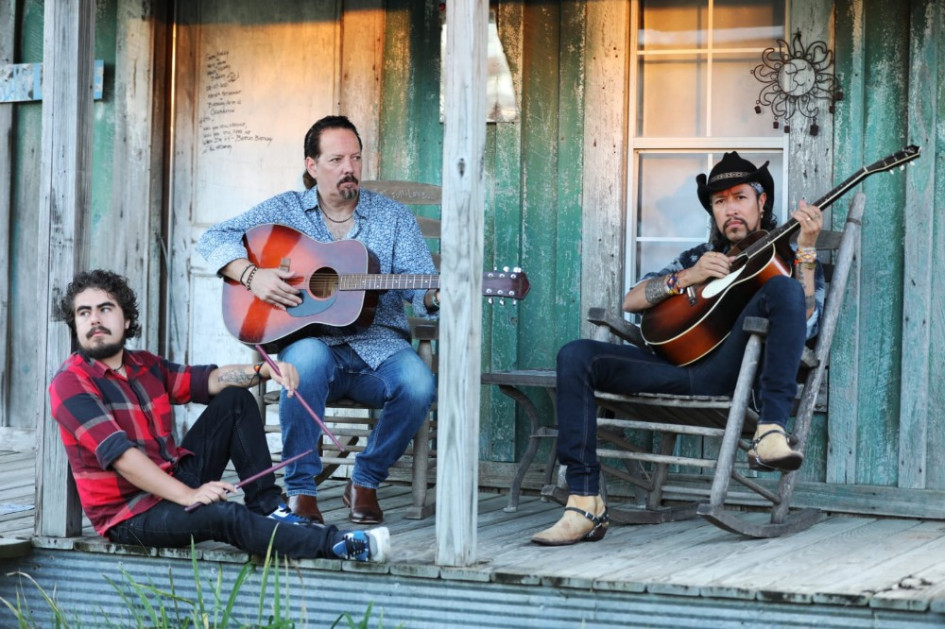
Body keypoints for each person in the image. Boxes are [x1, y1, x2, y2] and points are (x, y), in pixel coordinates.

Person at [532, 152, 825, 546]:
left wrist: (806, 248)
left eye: (739, 197)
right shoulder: (698, 257)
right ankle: (585, 502)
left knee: (785, 288)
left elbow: (806, 324)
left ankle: (771, 431)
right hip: (669, 370)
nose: (730, 210)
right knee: (576, 354)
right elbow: (632, 301)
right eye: (720, 202)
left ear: (762, 202)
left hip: (727, 376)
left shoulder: (786, 259)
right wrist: (689, 276)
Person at [49, 269, 390, 562]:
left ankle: (269, 507)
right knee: (223, 515)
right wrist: (188, 496)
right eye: (84, 313)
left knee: (235, 400)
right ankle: (337, 544)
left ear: (125, 319)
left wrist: (266, 370)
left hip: (175, 479)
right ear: (75, 324)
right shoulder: (70, 384)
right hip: (132, 514)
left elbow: (209, 380)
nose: (94, 319)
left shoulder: (144, 365)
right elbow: (123, 459)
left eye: (105, 309)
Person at [196, 115, 437, 525]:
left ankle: (365, 479)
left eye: (356, 158)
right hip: (311, 344)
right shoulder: (285, 210)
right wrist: (252, 275)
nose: (350, 168)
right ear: (312, 166)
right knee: (302, 364)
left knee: (419, 384)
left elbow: (420, 288)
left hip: (377, 345)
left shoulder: (393, 217)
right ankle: (302, 491)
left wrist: (434, 294)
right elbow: (212, 239)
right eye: (337, 159)